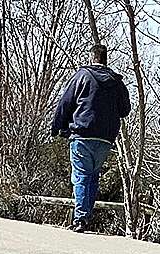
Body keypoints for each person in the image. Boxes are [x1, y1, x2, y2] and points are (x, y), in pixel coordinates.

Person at [50, 43, 131, 233]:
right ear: (105, 59)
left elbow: (65, 103)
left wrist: (57, 128)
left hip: (82, 134)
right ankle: (85, 217)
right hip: (105, 138)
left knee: (81, 176)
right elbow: (125, 110)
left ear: (91, 58)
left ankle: (80, 219)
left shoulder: (82, 75)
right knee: (92, 176)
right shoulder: (116, 82)